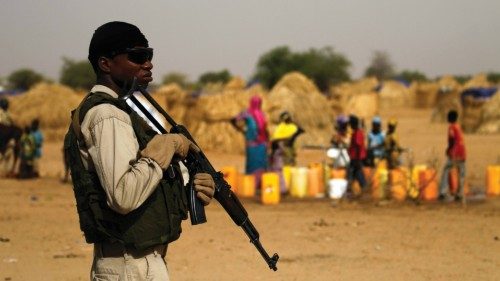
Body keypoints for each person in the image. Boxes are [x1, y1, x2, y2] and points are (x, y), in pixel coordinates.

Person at [64, 21, 215, 281]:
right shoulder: (107, 115)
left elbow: (146, 183)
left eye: (149, 55)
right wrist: (166, 147)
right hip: (129, 266)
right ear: (105, 64)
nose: (148, 64)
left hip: (137, 263)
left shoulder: (121, 111)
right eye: (137, 57)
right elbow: (123, 196)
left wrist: (190, 185)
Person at [230, 95, 269, 189]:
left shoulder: (254, 114)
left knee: (257, 162)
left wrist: (241, 129)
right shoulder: (254, 114)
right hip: (257, 143)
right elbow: (233, 120)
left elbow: (233, 120)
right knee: (256, 162)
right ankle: (255, 184)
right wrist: (241, 129)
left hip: (257, 143)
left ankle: (255, 184)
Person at [438, 110, 466, 202]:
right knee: (461, 173)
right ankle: (460, 194)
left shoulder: (451, 127)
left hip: (454, 153)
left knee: (446, 170)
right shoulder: (458, 127)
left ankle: (442, 192)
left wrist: (448, 149)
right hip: (462, 153)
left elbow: (452, 139)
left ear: (449, 118)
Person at [346, 115, 367, 195]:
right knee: (355, 174)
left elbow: (358, 146)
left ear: (353, 124)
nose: (350, 126)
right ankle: (356, 191)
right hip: (355, 157)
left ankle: (362, 189)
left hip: (356, 158)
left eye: (350, 124)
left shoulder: (357, 133)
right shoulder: (356, 132)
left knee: (355, 173)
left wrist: (357, 160)